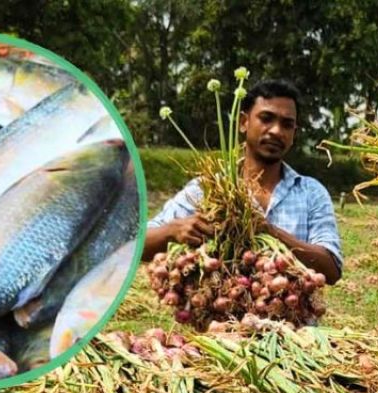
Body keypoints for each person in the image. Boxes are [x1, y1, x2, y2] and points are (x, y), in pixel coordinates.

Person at [143, 79, 343, 285]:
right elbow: (136, 245)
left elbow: (332, 268)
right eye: (266, 118)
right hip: (218, 317)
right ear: (243, 122)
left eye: (287, 124)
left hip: (293, 315)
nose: (276, 131)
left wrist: (271, 232)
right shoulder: (209, 187)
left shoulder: (311, 192)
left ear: (294, 134)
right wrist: (173, 230)